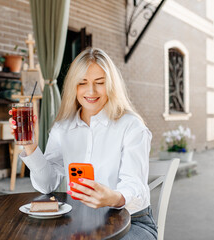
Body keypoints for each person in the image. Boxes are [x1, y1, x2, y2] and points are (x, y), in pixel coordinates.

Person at [9, 48, 157, 239]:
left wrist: (112, 197)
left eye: (100, 83)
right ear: (73, 86)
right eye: (82, 83)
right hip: (79, 218)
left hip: (131, 221)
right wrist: (30, 146)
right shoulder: (63, 128)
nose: (91, 91)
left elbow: (135, 185)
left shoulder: (131, 125)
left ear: (111, 85)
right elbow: (47, 185)